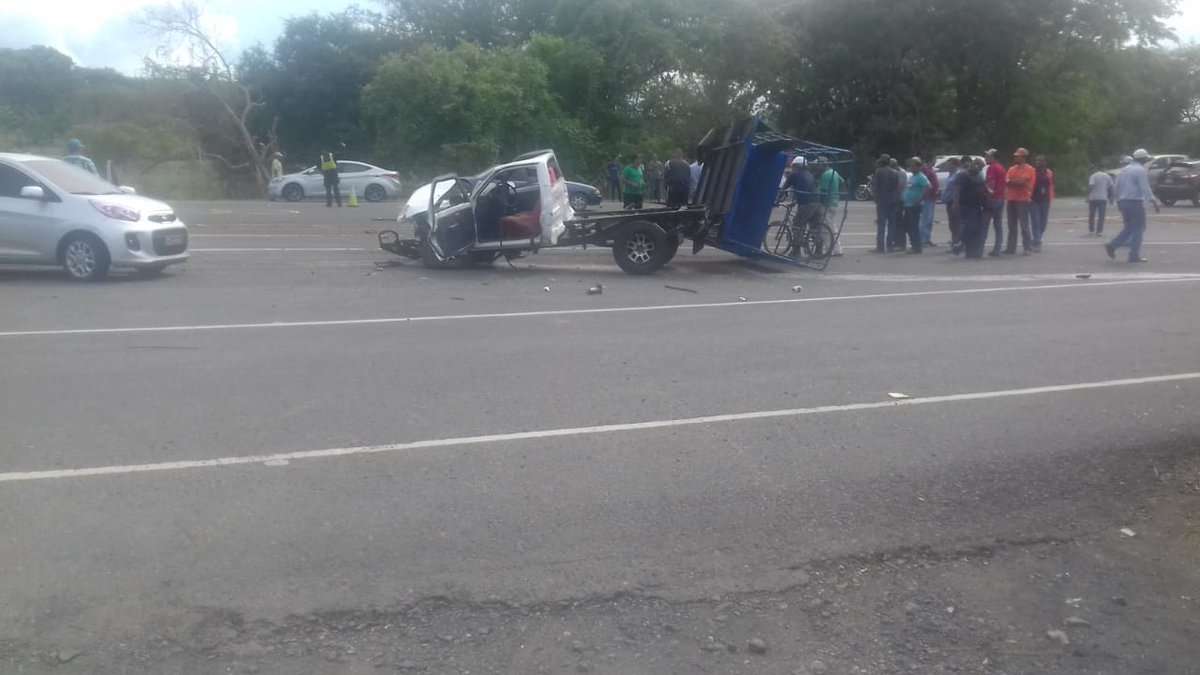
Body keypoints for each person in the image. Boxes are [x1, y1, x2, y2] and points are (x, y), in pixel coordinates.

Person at [1105, 148, 1159, 263]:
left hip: (1124, 201)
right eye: (1146, 159)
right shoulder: (1140, 170)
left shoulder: (1124, 169)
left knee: (1129, 227)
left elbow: (1116, 186)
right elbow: (1145, 187)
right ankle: (1133, 255)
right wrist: (1153, 200)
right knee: (1139, 228)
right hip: (1135, 202)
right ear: (1143, 159)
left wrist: (1118, 201)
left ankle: (1113, 245)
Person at [957, 158, 990, 258]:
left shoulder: (979, 176)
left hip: (976, 205)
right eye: (977, 165)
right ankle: (963, 246)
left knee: (974, 228)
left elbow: (983, 189)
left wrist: (986, 200)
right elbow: (957, 189)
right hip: (966, 205)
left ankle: (971, 250)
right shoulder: (963, 175)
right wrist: (956, 202)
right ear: (972, 164)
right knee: (969, 227)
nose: (978, 167)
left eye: (980, 166)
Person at [1004, 147, 1035, 254]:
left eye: (1018, 156)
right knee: (1011, 226)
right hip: (1011, 199)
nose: (1015, 157)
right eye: (1015, 156)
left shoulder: (1029, 169)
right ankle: (1010, 248)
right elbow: (1007, 181)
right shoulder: (1011, 169)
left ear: (1023, 157)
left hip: (1023, 200)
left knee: (1024, 225)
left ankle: (1027, 248)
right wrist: (1016, 182)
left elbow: (1022, 182)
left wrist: (1014, 182)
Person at [815, 158, 845, 256]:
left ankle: (830, 250)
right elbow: (842, 182)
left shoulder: (825, 175)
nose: (817, 167)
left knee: (825, 229)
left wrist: (819, 203)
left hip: (827, 204)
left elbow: (823, 191)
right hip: (835, 202)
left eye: (819, 165)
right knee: (832, 227)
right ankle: (838, 249)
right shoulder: (834, 172)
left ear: (823, 164)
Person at [871, 154, 901, 252]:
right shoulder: (895, 172)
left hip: (882, 201)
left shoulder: (879, 171)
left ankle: (880, 247)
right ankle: (890, 246)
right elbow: (897, 188)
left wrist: (875, 198)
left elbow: (876, 187)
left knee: (881, 224)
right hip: (893, 201)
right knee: (892, 224)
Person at [900, 157, 930, 254]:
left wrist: (920, 199)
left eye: (913, 166)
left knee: (913, 226)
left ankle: (916, 247)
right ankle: (914, 245)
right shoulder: (913, 176)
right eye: (911, 166)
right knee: (907, 226)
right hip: (908, 205)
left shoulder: (921, 177)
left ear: (918, 167)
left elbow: (928, 187)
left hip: (914, 206)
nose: (911, 168)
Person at [1029, 155, 1055, 251]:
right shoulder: (1032, 171)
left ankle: (1037, 238)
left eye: (1040, 161)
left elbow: (1051, 185)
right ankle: (1037, 242)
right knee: (1035, 221)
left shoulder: (1049, 172)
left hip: (1045, 200)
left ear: (1045, 162)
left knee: (1043, 222)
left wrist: (1051, 197)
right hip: (1034, 199)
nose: (1038, 162)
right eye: (1036, 160)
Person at [984, 149, 1006, 256]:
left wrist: (987, 196)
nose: (986, 157)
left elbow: (990, 184)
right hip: (1000, 198)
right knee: (998, 225)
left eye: (988, 156)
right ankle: (997, 248)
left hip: (993, 199)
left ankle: (979, 247)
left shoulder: (992, 168)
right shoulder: (1001, 167)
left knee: (985, 224)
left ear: (993, 157)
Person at [940, 157, 964, 249]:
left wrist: (956, 202)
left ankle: (957, 242)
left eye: (949, 164)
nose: (947, 166)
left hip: (954, 202)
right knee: (952, 224)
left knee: (956, 223)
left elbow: (957, 190)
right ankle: (954, 241)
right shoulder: (950, 174)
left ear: (954, 165)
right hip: (949, 201)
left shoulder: (958, 174)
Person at [1087, 166, 1116, 236]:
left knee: (1092, 215)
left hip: (1093, 198)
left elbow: (1091, 186)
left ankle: (1091, 230)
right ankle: (1099, 231)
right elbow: (1111, 188)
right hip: (1103, 198)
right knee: (1101, 216)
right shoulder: (1107, 176)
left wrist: (1087, 196)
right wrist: (1111, 198)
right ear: (1104, 169)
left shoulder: (1093, 176)